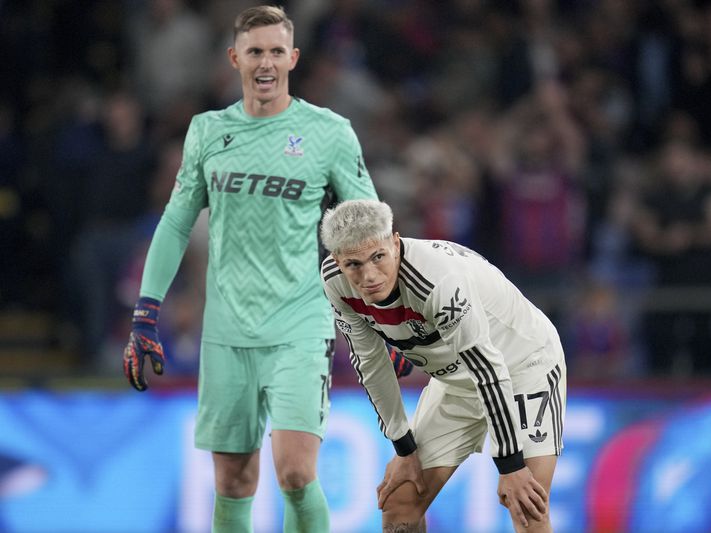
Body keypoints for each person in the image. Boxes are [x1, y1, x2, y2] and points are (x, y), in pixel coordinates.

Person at [121, 6, 389, 532]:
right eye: (254, 52)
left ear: (292, 58)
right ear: (234, 58)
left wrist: (392, 314)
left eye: (274, 52)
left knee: (294, 472)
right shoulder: (207, 131)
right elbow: (176, 222)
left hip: (299, 324)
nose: (265, 63)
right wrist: (146, 312)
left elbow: (369, 228)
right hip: (225, 331)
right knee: (234, 483)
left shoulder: (328, 133)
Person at [320, 199, 567, 532]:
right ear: (337, 260)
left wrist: (510, 465)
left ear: (395, 242)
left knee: (527, 505)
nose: (369, 275)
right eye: (354, 264)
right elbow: (371, 362)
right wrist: (403, 448)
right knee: (400, 501)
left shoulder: (437, 281)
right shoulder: (335, 283)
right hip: (455, 379)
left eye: (378, 257)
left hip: (523, 366)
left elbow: (488, 369)